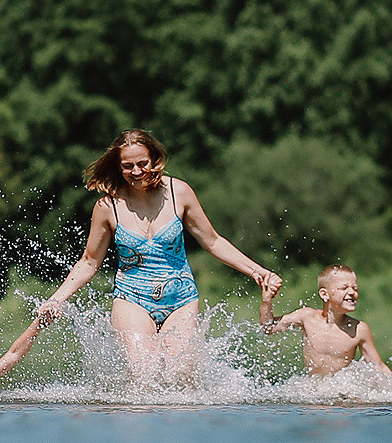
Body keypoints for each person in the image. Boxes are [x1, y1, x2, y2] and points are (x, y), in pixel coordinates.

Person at [42, 129, 283, 385]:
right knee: (143, 375)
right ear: (118, 166)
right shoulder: (107, 206)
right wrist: (56, 299)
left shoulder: (178, 192)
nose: (136, 172)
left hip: (181, 298)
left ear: (154, 159)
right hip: (132, 298)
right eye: (128, 166)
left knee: (179, 376)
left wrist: (259, 272)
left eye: (142, 163)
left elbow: (212, 240)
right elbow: (89, 262)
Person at [261, 265, 392, 380]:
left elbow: (377, 366)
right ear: (324, 294)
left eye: (355, 288)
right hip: (312, 391)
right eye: (344, 288)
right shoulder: (306, 316)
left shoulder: (359, 329)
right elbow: (268, 328)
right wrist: (267, 301)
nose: (352, 292)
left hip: (341, 394)